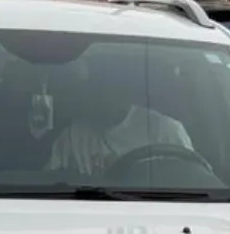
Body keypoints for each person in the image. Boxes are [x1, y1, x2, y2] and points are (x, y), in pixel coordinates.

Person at [46, 43, 193, 178]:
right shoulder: (74, 136)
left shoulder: (165, 131)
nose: (102, 93)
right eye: (97, 84)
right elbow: (49, 181)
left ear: (125, 88)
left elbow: (192, 178)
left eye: (109, 84)